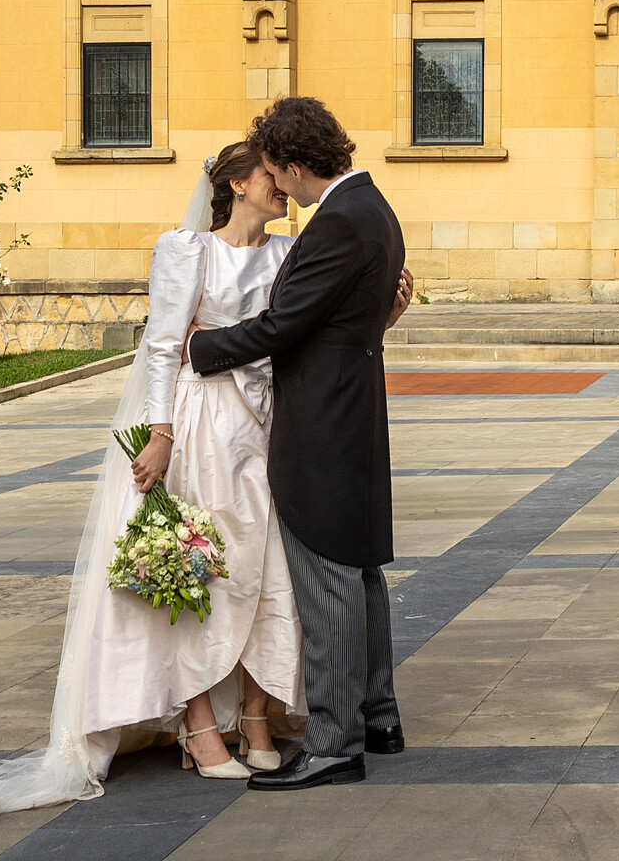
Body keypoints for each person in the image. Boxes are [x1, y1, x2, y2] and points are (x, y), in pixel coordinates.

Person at [0, 142, 307, 835]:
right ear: (236, 181)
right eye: (268, 175)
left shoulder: (285, 254)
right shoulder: (186, 249)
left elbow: (302, 333)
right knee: (197, 568)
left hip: (262, 423)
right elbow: (163, 344)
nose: (281, 186)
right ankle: (198, 728)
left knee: (261, 569)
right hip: (195, 420)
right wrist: (160, 435)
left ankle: (256, 717)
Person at [188, 96, 411, 793]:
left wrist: (200, 348)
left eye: (276, 172)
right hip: (352, 415)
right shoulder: (371, 207)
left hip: (321, 424)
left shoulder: (339, 222)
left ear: (289, 164)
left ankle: (334, 744)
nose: (276, 186)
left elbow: (282, 326)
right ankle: (378, 716)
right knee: (360, 573)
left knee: (330, 584)